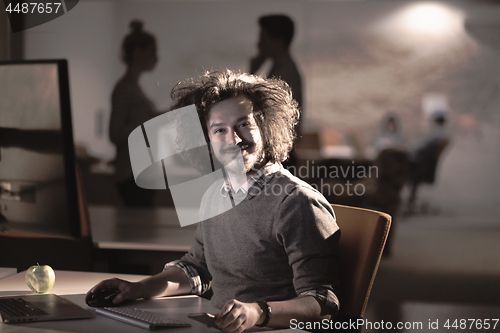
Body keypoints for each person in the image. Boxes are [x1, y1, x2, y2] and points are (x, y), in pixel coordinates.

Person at [87, 70, 341, 332]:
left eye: (244, 124)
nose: (234, 140)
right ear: (207, 142)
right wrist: (139, 288)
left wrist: (257, 312)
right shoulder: (215, 194)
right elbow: (197, 268)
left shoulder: (296, 202)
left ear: (265, 128)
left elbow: (321, 302)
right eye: (220, 130)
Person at [109, 20, 160, 206]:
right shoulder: (124, 89)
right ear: (138, 52)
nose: (156, 58)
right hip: (131, 173)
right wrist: (149, 121)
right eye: (152, 52)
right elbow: (115, 134)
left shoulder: (133, 88)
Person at [250, 14, 303, 172]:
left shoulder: (284, 74)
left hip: (280, 152)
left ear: (277, 41)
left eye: (263, 38)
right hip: (281, 150)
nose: (258, 44)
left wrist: (251, 74)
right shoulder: (284, 69)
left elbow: (256, 108)